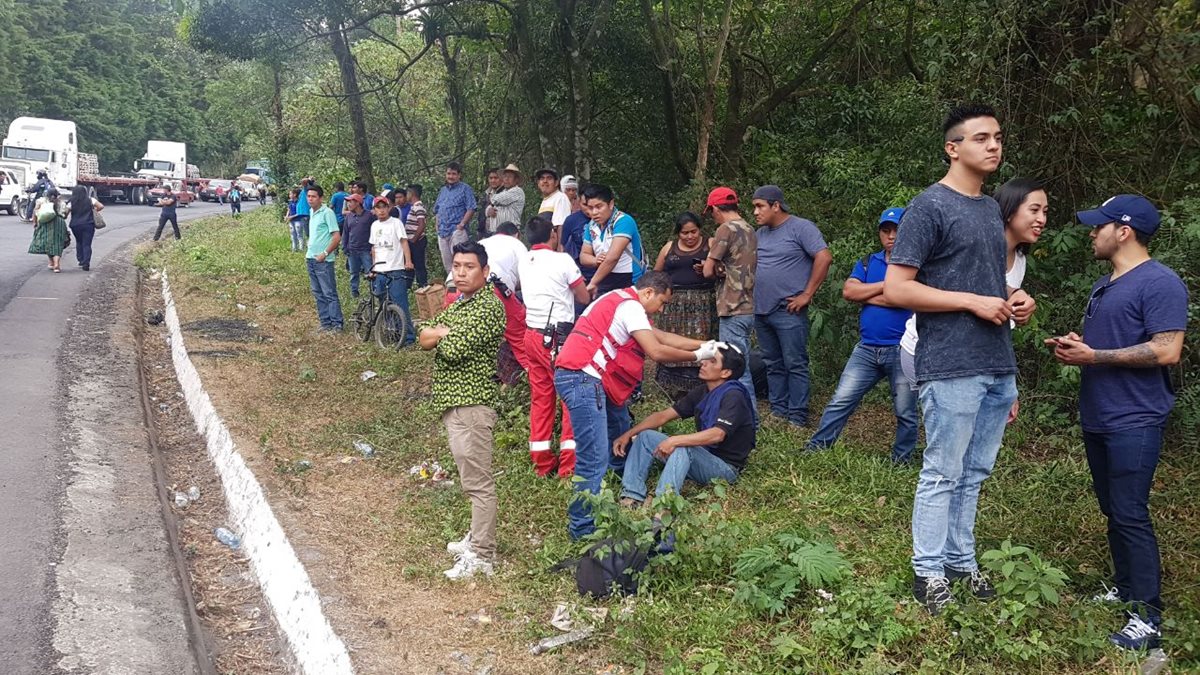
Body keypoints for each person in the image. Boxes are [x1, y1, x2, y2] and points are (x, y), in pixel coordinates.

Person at [882, 103, 1024, 615]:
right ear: (953, 147)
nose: (993, 146)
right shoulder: (929, 207)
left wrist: (1012, 299)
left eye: (998, 137)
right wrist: (971, 302)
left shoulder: (989, 209)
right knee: (943, 471)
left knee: (975, 471)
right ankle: (928, 573)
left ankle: (961, 562)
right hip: (949, 362)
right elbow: (898, 289)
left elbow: (984, 284)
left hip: (995, 360)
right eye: (981, 138)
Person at [1047, 195, 1186, 651]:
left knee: (1130, 512)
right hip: (1100, 415)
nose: (1092, 232)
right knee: (1114, 510)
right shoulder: (1106, 283)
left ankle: (1147, 618)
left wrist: (1095, 356)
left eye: (1099, 226)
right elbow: (1106, 342)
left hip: (1135, 418)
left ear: (1123, 231)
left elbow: (1167, 350)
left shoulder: (1160, 282)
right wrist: (1076, 345)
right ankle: (1125, 590)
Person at [554, 271, 720, 540]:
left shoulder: (619, 299)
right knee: (592, 459)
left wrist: (707, 344)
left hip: (587, 378)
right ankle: (583, 529)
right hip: (583, 379)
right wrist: (697, 355)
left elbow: (662, 336)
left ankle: (620, 486)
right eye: (662, 303)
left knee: (619, 424)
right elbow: (657, 351)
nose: (662, 309)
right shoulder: (630, 306)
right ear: (648, 294)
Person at [418, 242, 507, 579]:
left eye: (469, 266)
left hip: (472, 403)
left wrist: (441, 334)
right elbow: (423, 336)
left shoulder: (488, 307)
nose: (461, 272)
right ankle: (475, 539)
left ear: (485, 272)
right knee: (470, 479)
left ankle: (482, 555)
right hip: (454, 402)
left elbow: (452, 349)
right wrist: (440, 332)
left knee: (478, 483)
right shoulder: (459, 305)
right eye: (456, 266)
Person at [804, 207, 917, 463]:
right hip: (866, 348)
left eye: (897, 230)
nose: (891, 236)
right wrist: (888, 288)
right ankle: (817, 448)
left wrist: (873, 294)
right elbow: (849, 292)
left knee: (905, 411)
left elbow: (910, 299)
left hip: (903, 349)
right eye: (886, 231)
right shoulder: (868, 261)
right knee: (840, 400)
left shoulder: (914, 266)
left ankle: (902, 461)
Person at [614, 344, 755, 506]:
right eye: (706, 359)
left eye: (712, 361)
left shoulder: (733, 395)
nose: (704, 363)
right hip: (701, 456)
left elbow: (718, 434)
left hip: (725, 468)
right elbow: (663, 416)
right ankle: (632, 495)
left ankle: (664, 503)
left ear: (725, 372)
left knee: (682, 446)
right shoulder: (703, 391)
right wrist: (628, 434)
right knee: (645, 436)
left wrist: (675, 440)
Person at [752, 184, 832, 428]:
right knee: (772, 363)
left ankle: (797, 416)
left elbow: (824, 256)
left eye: (759, 206)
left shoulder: (801, 228)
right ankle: (778, 411)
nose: (755, 212)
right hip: (761, 309)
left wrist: (807, 294)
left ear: (776, 205)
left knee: (794, 363)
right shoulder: (760, 234)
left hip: (788, 309)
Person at [519, 216, 591, 477]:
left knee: (541, 398)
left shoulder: (524, 260)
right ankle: (569, 466)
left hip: (531, 335)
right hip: (557, 339)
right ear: (553, 235)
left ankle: (541, 462)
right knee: (569, 396)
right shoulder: (563, 260)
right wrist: (589, 289)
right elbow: (582, 295)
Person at [701, 187, 757, 397]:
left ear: (716, 208)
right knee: (743, 360)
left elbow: (707, 271)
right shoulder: (749, 228)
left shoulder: (726, 229)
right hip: (749, 305)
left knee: (735, 369)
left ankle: (748, 419)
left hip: (732, 305)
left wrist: (710, 267)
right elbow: (740, 265)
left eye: (712, 212)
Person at [652, 212, 717, 393]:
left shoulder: (710, 244)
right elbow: (657, 274)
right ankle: (670, 385)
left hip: (703, 302)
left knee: (699, 338)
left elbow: (723, 268)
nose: (689, 237)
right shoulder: (669, 248)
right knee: (672, 339)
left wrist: (707, 267)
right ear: (678, 233)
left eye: (693, 232)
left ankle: (700, 383)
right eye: (685, 233)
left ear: (700, 230)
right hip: (674, 303)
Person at [580, 183, 647, 298]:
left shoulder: (623, 221)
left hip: (629, 280)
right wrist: (595, 260)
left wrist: (593, 283)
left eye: (599, 206)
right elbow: (583, 256)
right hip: (604, 277)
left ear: (611, 204)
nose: (594, 212)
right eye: (590, 208)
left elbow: (612, 258)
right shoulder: (591, 226)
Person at [368, 197, 416, 344]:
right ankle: (392, 332)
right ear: (374, 210)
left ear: (389, 208)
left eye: (384, 207)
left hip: (395, 269)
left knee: (400, 303)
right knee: (384, 303)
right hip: (380, 270)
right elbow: (374, 248)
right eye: (378, 207)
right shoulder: (375, 225)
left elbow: (404, 242)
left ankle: (408, 337)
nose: (381, 210)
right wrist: (374, 267)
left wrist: (408, 261)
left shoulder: (396, 223)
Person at [304, 185, 344, 332]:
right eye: (308, 196)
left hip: (324, 261)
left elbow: (336, 237)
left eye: (313, 196)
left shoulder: (327, 213)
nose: (310, 199)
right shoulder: (311, 212)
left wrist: (325, 253)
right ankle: (325, 323)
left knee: (329, 293)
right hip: (311, 258)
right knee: (318, 293)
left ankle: (337, 324)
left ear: (321, 198)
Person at [432, 162, 477, 275]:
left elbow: (471, 208)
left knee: (460, 262)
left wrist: (462, 224)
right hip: (442, 232)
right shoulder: (443, 190)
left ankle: (463, 290)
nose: (450, 176)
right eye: (448, 174)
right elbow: (438, 209)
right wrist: (437, 225)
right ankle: (452, 290)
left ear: (459, 175)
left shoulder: (465, 189)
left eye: (453, 174)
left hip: (457, 231)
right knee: (448, 265)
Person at [341, 193, 376, 298]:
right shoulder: (349, 217)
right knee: (353, 273)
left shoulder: (369, 216)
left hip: (366, 249)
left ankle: (374, 292)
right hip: (352, 250)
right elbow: (345, 232)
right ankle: (354, 292)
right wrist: (345, 246)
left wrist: (373, 247)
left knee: (371, 272)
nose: (348, 204)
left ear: (357, 203)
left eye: (350, 202)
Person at [28, 188, 68, 272]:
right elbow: (65, 214)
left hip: (46, 222)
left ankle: (51, 262)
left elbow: (35, 212)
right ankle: (56, 264)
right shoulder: (61, 203)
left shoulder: (41, 201)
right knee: (57, 243)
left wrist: (35, 222)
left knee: (48, 242)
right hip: (59, 223)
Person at [66, 185, 103, 272]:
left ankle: (81, 260)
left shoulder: (71, 201)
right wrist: (94, 210)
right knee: (87, 244)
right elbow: (101, 206)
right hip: (88, 224)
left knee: (79, 241)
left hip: (75, 225)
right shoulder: (90, 200)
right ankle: (86, 263)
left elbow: (66, 213)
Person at [405, 184, 430, 287]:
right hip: (413, 241)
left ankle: (422, 285)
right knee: (412, 264)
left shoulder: (418, 207)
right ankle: (409, 285)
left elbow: (422, 224)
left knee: (419, 266)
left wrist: (414, 239)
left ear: (411, 194)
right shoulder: (414, 207)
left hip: (417, 241)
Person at [489, 164, 526, 231]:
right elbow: (490, 206)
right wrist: (488, 210)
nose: (506, 179)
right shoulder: (504, 192)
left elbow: (495, 199)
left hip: (510, 232)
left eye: (509, 177)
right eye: (505, 176)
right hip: (497, 232)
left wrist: (492, 198)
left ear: (516, 179)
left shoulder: (517, 191)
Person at [479, 167, 502, 236]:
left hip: (501, 232)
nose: (493, 180)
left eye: (496, 178)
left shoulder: (506, 193)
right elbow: (482, 215)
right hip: (487, 233)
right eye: (491, 178)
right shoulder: (487, 194)